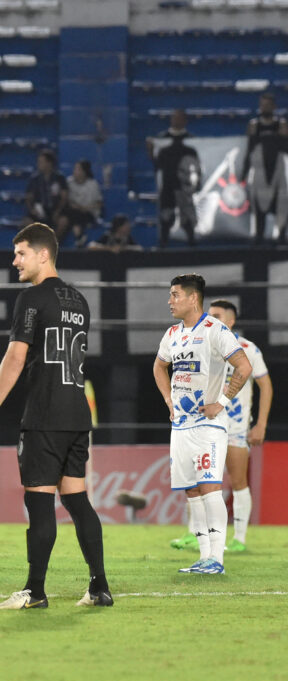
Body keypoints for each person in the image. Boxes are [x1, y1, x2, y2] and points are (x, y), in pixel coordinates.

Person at [0, 222, 112, 609]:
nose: (14, 260)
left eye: (20, 253)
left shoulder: (32, 299)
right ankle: (99, 585)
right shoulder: (79, 300)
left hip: (45, 415)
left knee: (39, 504)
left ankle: (35, 591)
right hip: (76, 414)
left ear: (43, 254)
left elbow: (16, 356)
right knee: (78, 501)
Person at [152, 274, 252, 575]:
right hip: (181, 426)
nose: (170, 301)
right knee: (192, 492)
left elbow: (243, 366)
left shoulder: (214, 330)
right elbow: (159, 366)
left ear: (193, 298)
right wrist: (169, 400)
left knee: (209, 488)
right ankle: (204, 557)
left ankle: (217, 559)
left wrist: (221, 401)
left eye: (175, 295)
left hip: (209, 425)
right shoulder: (172, 334)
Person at [170, 300, 271, 553]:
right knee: (195, 481)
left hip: (235, 427)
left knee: (238, 481)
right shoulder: (201, 344)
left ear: (230, 320)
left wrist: (261, 424)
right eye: (209, 314)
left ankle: (239, 539)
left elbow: (266, 386)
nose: (210, 318)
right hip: (203, 424)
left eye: (216, 315)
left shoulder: (248, 349)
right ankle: (194, 533)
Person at [147, 110, 200, 248]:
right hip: (168, 185)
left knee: (187, 216)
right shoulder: (162, 138)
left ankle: (192, 244)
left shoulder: (192, 140)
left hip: (185, 186)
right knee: (166, 216)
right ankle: (163, 244)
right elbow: (157, 164)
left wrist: (196, 184)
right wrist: (151, 151)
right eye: (174, 118)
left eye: (179, 118)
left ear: (185, 121)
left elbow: (197, 164)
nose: (176, 121)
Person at [242, 92, 288, 245]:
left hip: (278, 171)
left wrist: (283, 135)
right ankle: (259, 237)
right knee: (259, 207)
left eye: (268, 105)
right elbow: (249, 150)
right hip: (260, 172)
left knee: (281, 205)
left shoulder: (281, 124)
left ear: (274, 107)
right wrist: (244, 172)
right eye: (262, 105)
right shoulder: (254, 125)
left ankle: (281, 236)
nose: (265, 108)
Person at [25, 150, 70, 244]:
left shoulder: (59, 178)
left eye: (41, 162)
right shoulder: (35, 179)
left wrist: (58, 211)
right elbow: (29, 197)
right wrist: (32, 209)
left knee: (63, 221)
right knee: (27, 222)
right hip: (39, 209)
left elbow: (64, 197)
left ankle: (53, 244)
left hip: (55, 210)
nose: (39, 164)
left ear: (49, 163)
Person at [66, 160, 102, 248]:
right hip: (74, 212)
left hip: (89, 213)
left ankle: (79, 237)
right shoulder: (69, 182)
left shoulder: (93, 184)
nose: (75, 171)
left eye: (78, 169)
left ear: (85, 171)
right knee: (72, 214)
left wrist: (86, 208)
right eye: (74, 169)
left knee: (77, 215)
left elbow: (99, 203)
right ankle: (79, 237)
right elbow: (68, 201)